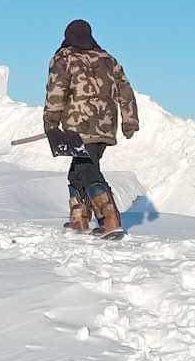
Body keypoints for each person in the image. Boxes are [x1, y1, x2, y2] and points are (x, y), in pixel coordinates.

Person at [42, 18, 138, 237]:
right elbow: (126, 91)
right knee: (78, 170)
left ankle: (110, 219)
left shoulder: (64, 58)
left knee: (87, 169)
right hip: (105, 126)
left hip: (79, 126)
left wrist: (50, 122)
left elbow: (56, 91)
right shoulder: (108, 59)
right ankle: (79, 220)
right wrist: (129, 120)